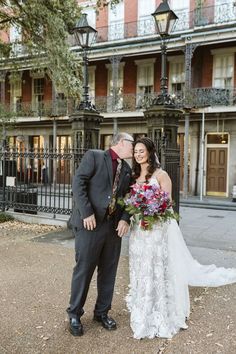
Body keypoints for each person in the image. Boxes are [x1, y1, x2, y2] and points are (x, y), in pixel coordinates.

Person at [127, 137, 236, 340]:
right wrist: (137, 209)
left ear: (150, 152)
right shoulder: (133, 175)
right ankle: (142, 303)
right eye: (135, 151)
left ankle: (160, 308)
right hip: (138, 231)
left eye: (141, 151)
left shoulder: (161, 175)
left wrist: (151, 210)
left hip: (156, 228)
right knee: (141, 266)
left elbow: (166, 202)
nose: (138, 154)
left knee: (157, 265)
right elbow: (130, 199)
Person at [67, 132, 133, 336]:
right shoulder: (94, 156)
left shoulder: (128, 169)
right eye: (132, 144)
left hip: (113, 228)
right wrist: (86, 213)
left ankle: (102, 312)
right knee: (84, 269)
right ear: (121, 142)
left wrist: (125, 218)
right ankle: (74, 314)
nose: (133, 148)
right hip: (90, 224)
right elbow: (78, 184)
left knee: (109, 271)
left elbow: (129, 198)